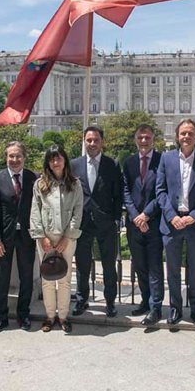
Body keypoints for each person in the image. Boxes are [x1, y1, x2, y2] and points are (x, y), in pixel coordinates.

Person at [156, 119, 195, 326]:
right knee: (172, 270)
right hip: (172, 223)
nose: (186, 137)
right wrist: (172, 216)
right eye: (183, 133)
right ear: (177, 136)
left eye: (190, 133)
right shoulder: (166, 159)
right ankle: (175, 309)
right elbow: (160, 190)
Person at [71, 126, 124, 317]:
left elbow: (118, 194)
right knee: (83, 265)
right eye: (89, 140)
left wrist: (116, 219)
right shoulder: (74, 165)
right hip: (82, 223)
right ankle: (81, 300)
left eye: (96, 140)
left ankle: (110, 302)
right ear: (84, 141)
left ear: (102, 142)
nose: (92, 144)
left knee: (109, 266)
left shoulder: (112, 164)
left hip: (106, 223)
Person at [0, 141, 38, 334]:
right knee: (2, 278)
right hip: (3, 238)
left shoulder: (34, 178)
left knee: (26, 277)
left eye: (18, 156)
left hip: (27, 236)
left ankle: (23, 314)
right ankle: (1, 317)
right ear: (6, 157)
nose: (14, 160)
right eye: (11, 156)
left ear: (24, 157)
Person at [30, 145, 83, 333]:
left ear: (65, 160)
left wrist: (68, 236)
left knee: (65, 278)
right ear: (48, 163)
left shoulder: (75, 184)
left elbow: (78, 211)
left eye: (59, 158)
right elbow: (35, 211)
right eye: (52, 159)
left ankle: (63, 316)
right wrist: (41, 236)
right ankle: (50, 316)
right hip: (45, 238)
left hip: (67, 238)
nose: (55, 162)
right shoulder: (40, 184)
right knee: (47, 278)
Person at [122, 124, 164, 325]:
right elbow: (126, 192)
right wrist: (135, 216)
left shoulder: (162, 160)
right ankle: (145, 302)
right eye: (140, 137)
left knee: (155, 266)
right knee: (139, 266)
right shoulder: (129, 162)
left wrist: (146, 215)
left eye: (147, 137)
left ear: (153, 138)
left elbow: (162, 192)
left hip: (154, 223)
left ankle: (156, 307)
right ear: (135, 139)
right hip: (134, 224)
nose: (144, 141)